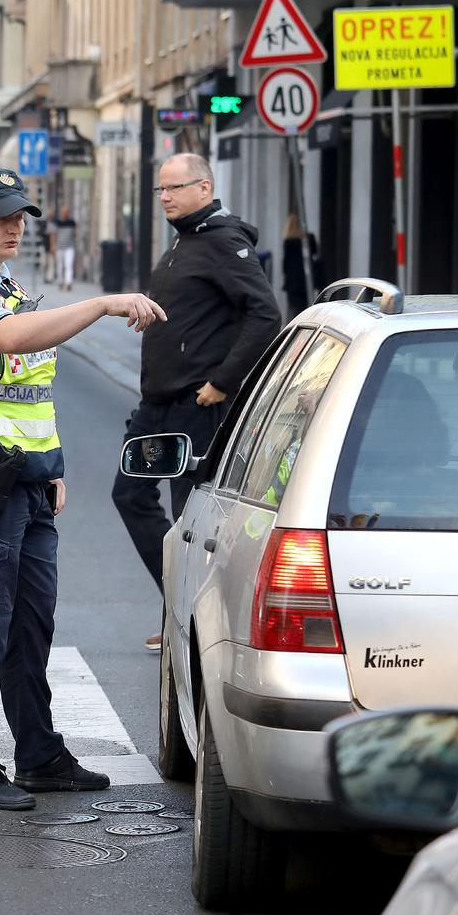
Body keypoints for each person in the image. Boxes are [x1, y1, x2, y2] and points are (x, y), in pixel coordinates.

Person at [0, 168, 169, 810]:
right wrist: (103, 303)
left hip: (23, 480)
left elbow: (30, 390)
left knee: (30, 625)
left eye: (20, 214)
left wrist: (51, 466)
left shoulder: (10, 289)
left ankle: (38, 754)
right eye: (0, 214)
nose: (15, 225)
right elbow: (8, 342)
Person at [112, 153, 281, 652]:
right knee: (131, 495)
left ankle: (191, 624)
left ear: (204, 188)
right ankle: (179, 604)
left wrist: (224, 383)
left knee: (189, 517)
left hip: (196, 406)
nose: (165, 197)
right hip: (157, 405)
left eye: (175, 188)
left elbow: (265, 316)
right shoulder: (187, 241)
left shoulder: (224, 242)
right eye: (160, 190)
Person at [54, 206, 77, 291]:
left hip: (69, 247)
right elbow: (54, 234)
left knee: (68, 265)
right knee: (60, 266)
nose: (64, 214)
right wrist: (53, 245)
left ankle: (68, 283)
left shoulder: (72, 223)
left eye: (66, 212)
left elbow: (74, 234)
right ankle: (60, 281)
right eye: (63, 212)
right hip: (59, 247)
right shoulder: (57, 223)